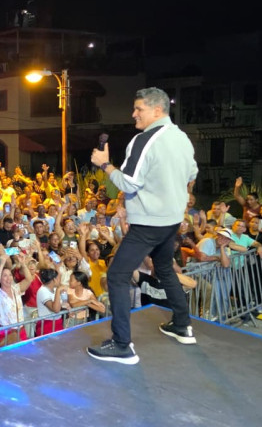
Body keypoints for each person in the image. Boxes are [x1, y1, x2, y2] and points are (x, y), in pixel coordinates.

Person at [88, 87, 198, 365]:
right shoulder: (181, 137)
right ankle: (182, 326)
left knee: (116, 276)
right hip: (171, 220)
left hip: (148, 222)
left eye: (139, 109)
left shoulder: (143, 140)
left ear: (157, 111)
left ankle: (122, 345)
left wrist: (104, 164)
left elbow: (127, 183)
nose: (133, 113)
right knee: (163, 268)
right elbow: (192, 174)